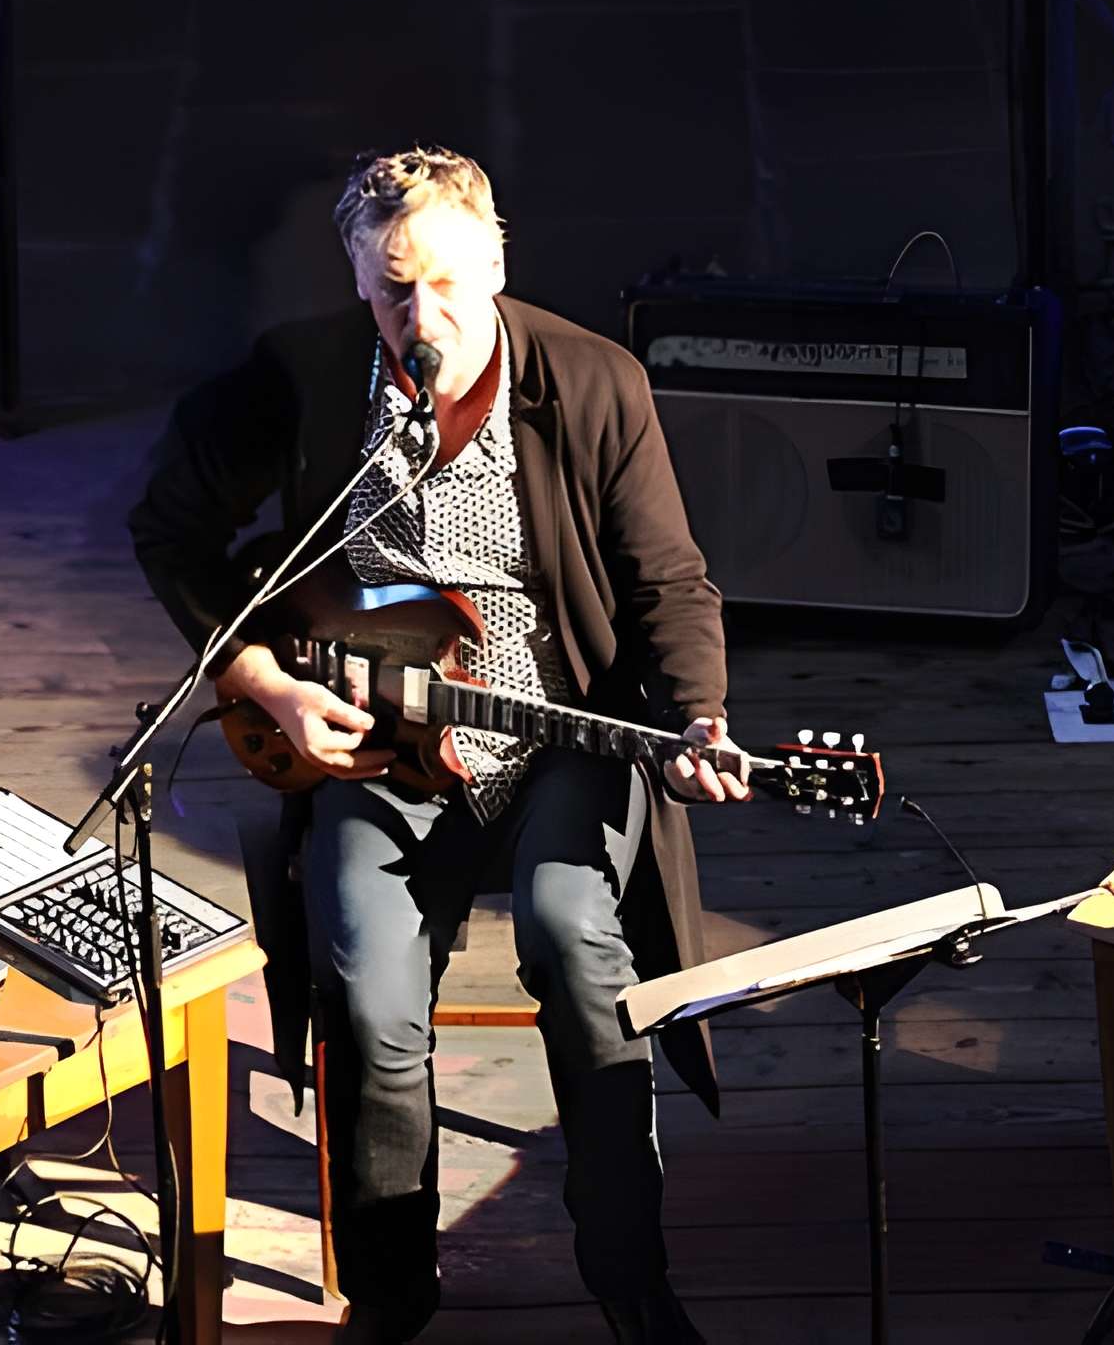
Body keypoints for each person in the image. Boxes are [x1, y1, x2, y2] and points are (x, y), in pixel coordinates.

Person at [131, 147, 791, 1344]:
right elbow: (168, 531)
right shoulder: (304, 379)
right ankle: (388, 1297)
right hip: (378, 747)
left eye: (443, 284)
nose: (418, 318)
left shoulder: (594, 381)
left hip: (554, 730)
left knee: (574, 944)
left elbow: (669, 584)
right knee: (370, 999)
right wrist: (264, 682)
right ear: (354, 279)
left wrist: (699, 716)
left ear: (495, 258)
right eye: (390, 292)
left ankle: (629, 1280)